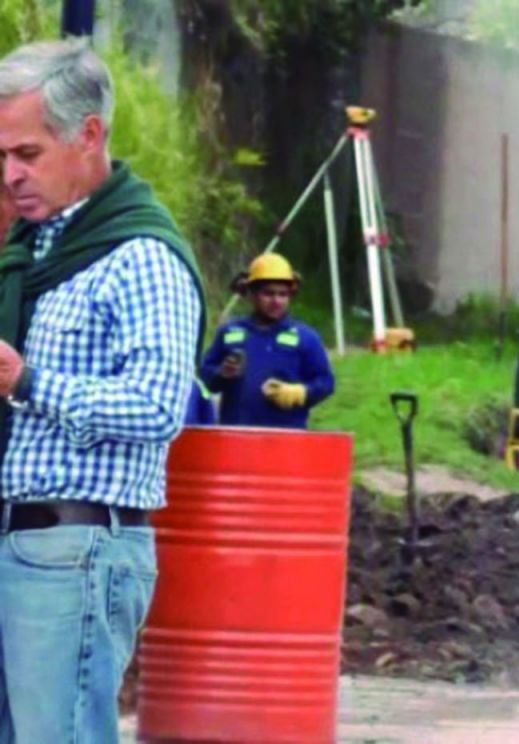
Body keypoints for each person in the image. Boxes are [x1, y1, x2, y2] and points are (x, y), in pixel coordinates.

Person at [0, 39, 204, 742]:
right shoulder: (31, 253)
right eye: (1, 158)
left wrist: (26, 380)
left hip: (75, 550)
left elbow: (157, 405)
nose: (11, 175)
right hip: (17, 543)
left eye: (27, 154)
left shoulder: (139, 257)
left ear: (89, 135)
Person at [200, 253, 334, 429]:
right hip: (236, 438)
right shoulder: (230, 332)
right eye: (268, 293)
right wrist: (221, 373)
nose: (276, 301)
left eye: (283, 294)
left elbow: (325, 382)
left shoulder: (306, 337)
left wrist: (300, 393)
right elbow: (204, 377)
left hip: (286, 441)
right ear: (252, 294)